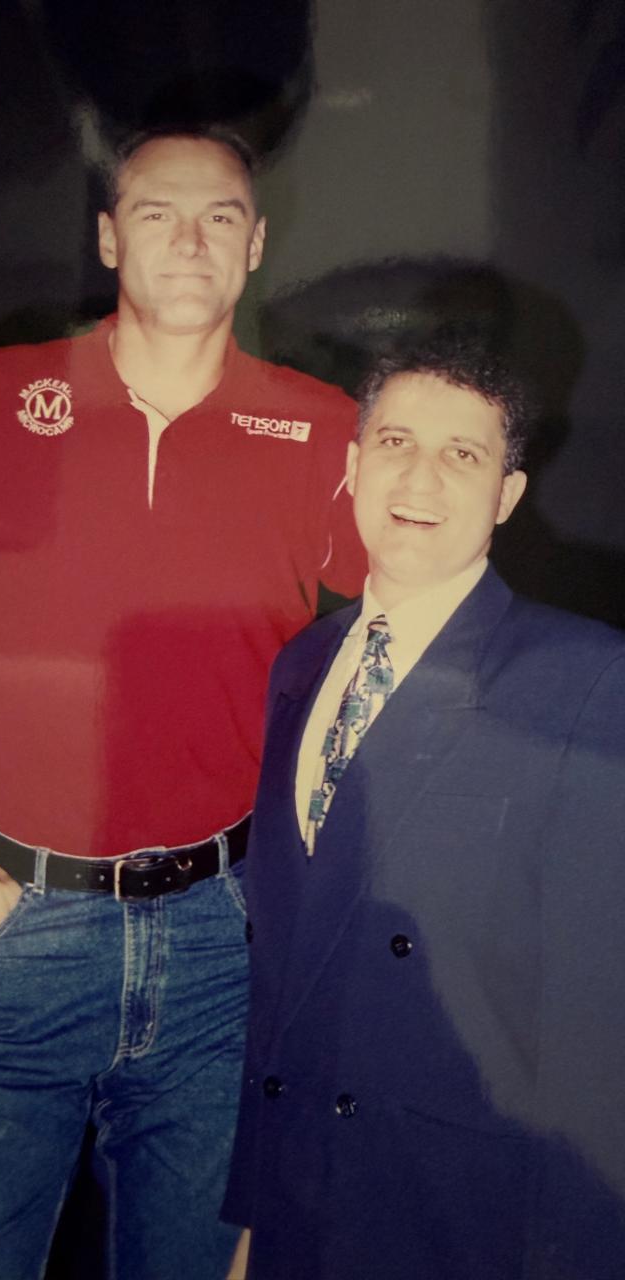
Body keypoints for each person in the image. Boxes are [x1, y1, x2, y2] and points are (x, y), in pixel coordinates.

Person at [0, 125, 364, 1280]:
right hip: (11, 928)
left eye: (220, 216)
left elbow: (398, 638)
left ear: (256, 243)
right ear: (110, 236)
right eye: (158, 212)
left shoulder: (322, 429)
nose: (191, 239)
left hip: (222, 942)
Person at [223, 329, 625, 1279]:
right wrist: (251, 1223)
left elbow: (600, 1031)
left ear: (507, 495)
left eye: (463, 455)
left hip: (458, 1219)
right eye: (397, 442)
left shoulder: (583, 679)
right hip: (297, 1208)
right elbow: (282, 983)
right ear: (353, 465)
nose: (420, 479)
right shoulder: (302, 665)